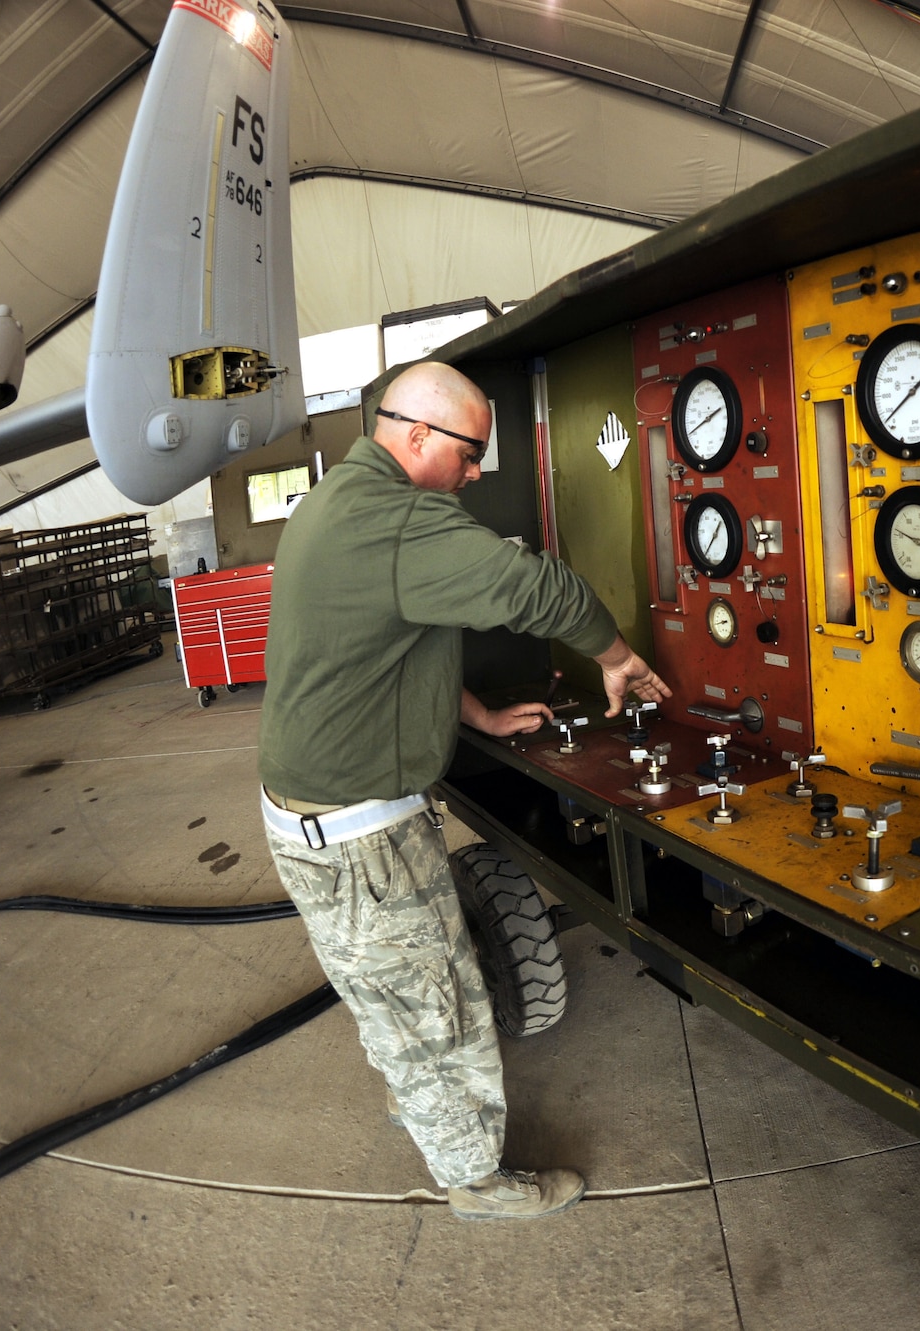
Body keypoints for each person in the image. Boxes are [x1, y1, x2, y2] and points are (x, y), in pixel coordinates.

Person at [257, 361, 670, 1221]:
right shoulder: (398, 523)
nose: (478, 471)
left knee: (403, 1006)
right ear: (417, 437)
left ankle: (425, 1101)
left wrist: (474, 714)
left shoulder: (338, 504)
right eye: (471, 452)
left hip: (331, 821)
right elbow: (534, 588)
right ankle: (477, 1181)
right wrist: (616, 655)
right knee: (438, 1013)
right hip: (361, 842)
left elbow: (386, 641)